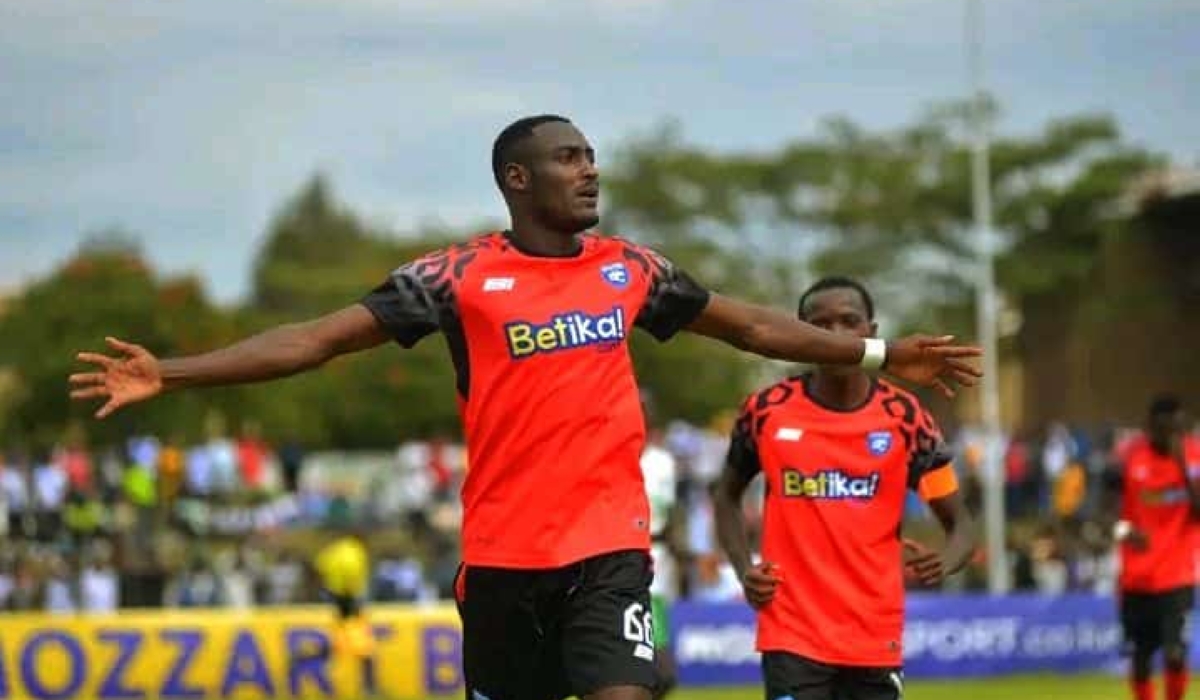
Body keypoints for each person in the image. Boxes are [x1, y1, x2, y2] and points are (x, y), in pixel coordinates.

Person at [70, 115, 980, 700]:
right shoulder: (457, 278)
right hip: (504, 557)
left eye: (590, 157)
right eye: (568, 159)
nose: (590, 172)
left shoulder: (632, 269)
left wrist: (878, 354)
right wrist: (175, 373)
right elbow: (316, 339)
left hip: (609, 548)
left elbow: (749, 327)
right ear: (517, 178)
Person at [712, 276, 976, 700]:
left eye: (848, 321)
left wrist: (945, 563)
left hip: (874, 635)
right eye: (820, 324)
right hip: (791, 633)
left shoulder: (906, 419)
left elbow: (959, 521)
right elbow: (725, 496)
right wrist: (745, 568)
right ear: (798, 335)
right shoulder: (767, 411)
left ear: (871, 332)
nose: (835, 335)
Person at [1105, 395, 1200, 700]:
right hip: (1137, 579)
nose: (1171, 436)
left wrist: (1184, 467)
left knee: (1175, 654)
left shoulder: (1194, 458)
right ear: (1150, 428)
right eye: (1164, 429)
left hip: (1177, 578)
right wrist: (1124, 531)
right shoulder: (1130, 460)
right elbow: (1106, 513)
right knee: (1140, 661)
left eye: (1177, 429)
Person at [640, 426, 681, 699]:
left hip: (656, 559)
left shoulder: (662, 463)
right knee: (661, 674)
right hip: (624, 560)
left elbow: (669, 514)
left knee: (663, 676)